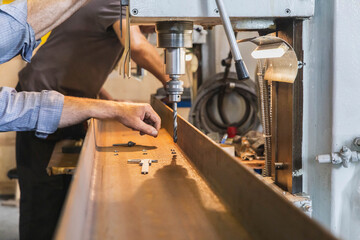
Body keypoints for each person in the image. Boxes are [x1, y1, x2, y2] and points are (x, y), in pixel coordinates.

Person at [0, 1, 161, 239]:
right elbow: (138, 47)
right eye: (157, 22)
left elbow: (81, 71)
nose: (154, 29)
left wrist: (113, 104)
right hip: (41, 101)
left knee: (66, 201)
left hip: (68, 106)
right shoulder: (115, 3)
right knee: (43, 206)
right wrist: (175, 83)